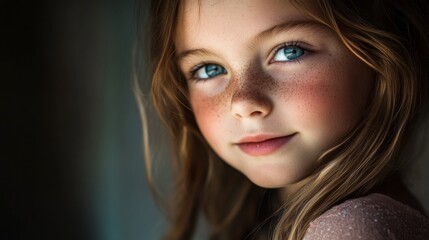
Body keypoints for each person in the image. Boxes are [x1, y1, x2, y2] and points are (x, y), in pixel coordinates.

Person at [135, 0, 429, 239]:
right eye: (209, 69)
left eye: (290, 52)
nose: (243, 103)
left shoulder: (354, 230)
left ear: (382, 58)